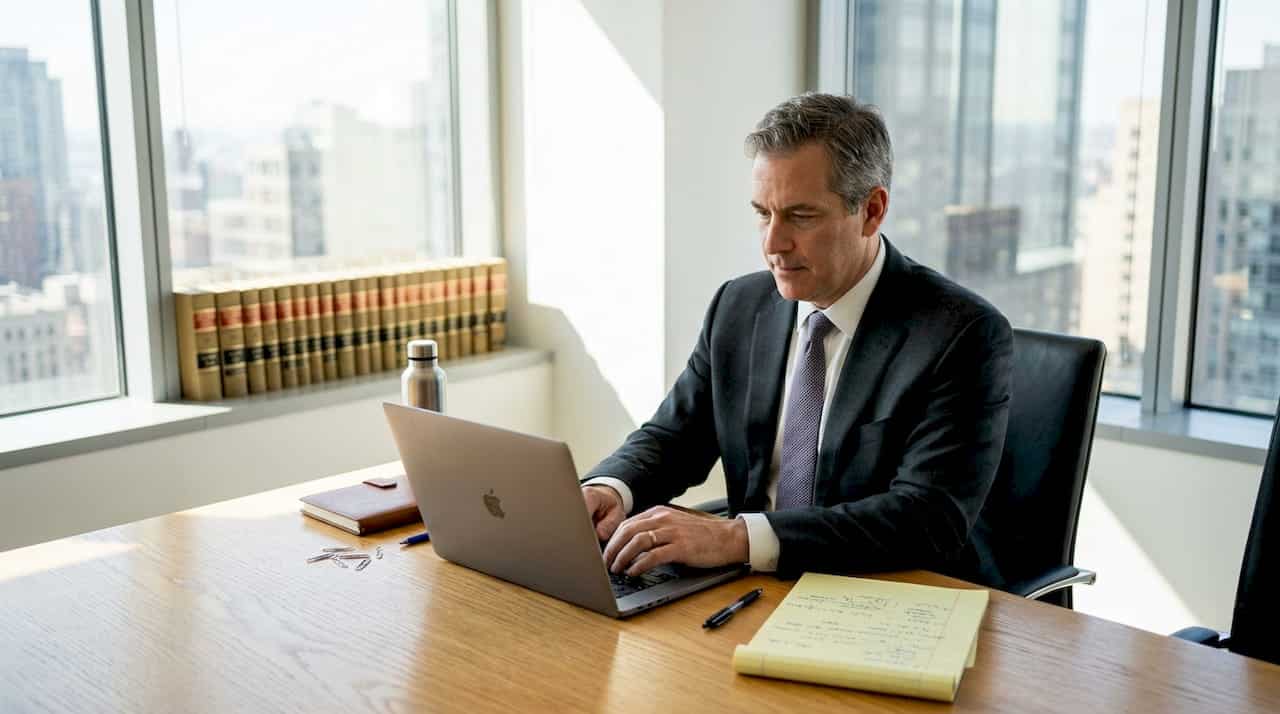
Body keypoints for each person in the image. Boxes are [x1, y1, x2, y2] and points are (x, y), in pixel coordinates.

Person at [582, 92, 1013, 587]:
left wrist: (736, 538)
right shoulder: (738, 307)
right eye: (763, 213)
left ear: (872, 210)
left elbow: (927, 518)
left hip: (886, 591)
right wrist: (611, 489)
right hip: (752, 585)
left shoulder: (961, 334)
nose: (772, 244)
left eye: (800, 217)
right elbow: (674, 437)